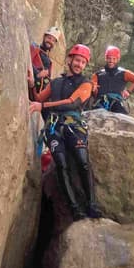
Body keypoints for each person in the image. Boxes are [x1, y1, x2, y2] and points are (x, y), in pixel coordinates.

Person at [29, 44, 101, 220]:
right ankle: (74, 208)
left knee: (82, 161)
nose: (79, 65)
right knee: (61, 165)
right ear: (70, 60)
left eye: (83, 62)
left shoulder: (86, 84)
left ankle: (92, 204)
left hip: (73, 125)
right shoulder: (56, 82)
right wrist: (32, 85)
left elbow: (72, 103)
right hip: (55, 127)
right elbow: (37, 99)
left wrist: (43, 106)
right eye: (77, 60)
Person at [91, 46, 134, 114]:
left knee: (121, 113)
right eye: (109, 58)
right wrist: (93, 89)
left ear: (118, 59)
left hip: (117, 102)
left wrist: (129, 91)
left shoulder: (123, 73)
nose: (111, 61)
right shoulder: (98, 74)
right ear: (106, 58)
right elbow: (92, 87)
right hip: (101, 102)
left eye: (114, 59)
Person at [28, 25, 61, 98]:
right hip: (31, 87)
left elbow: (46, 79)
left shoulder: (48, 60)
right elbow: (27, 62)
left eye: (53, 40)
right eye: (49, 38)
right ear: (44, 37)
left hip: (40, 90)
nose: (50, 41)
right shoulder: (34, 48)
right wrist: (38, 75)